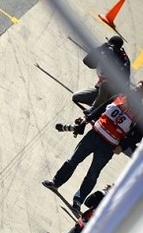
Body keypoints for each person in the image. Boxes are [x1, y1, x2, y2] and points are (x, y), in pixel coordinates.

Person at [43, 81, 142, 213]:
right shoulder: (120, 96)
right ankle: (56, 182)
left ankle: (78, 200)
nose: (135, 90)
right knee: (73, 159)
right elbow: (100, 109)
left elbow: (137, 136)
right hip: (94, 135)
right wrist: (87, 119)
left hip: (108, 146)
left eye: (139, 89)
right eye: (136, 87)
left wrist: (122, 146)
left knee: (92, 174)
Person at [72, 36, 130, 108]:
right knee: (76, 96)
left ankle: (98, 108)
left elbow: (124, 78)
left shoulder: (123, 60)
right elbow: (87, 62)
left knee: (104, 92)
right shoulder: (105, 53)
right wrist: (100, 48)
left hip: (112, 94)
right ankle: (98, 104)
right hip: (99, 90)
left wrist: (114, 59)